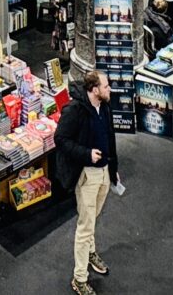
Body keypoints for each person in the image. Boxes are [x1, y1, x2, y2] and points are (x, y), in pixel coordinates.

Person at [55, 70, 119, 295]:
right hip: (87, 175)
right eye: (106, 86)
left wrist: (114, 168)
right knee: (85, 226)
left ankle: (91, 253)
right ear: (94, 90)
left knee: (93, 218)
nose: (109, 89)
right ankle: (79, 278)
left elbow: (110, 137)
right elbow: (60, 139)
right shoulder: (75, 111)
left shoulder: (105, 107)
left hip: (103, 173)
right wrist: (86, 154)